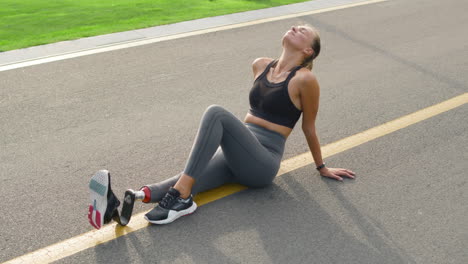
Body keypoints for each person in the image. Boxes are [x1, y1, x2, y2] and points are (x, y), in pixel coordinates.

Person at [88, 24, 355, 229]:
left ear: (308, 51)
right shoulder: (261, 65)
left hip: (262, 163)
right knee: (184, 179)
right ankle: (127, 202)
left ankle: (181, 200)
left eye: (304, 31)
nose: (296, 27)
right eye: (296, 26)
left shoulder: (306, 79)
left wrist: (322, 167)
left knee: (216, 114)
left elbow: (309, 126)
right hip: (239, 151)